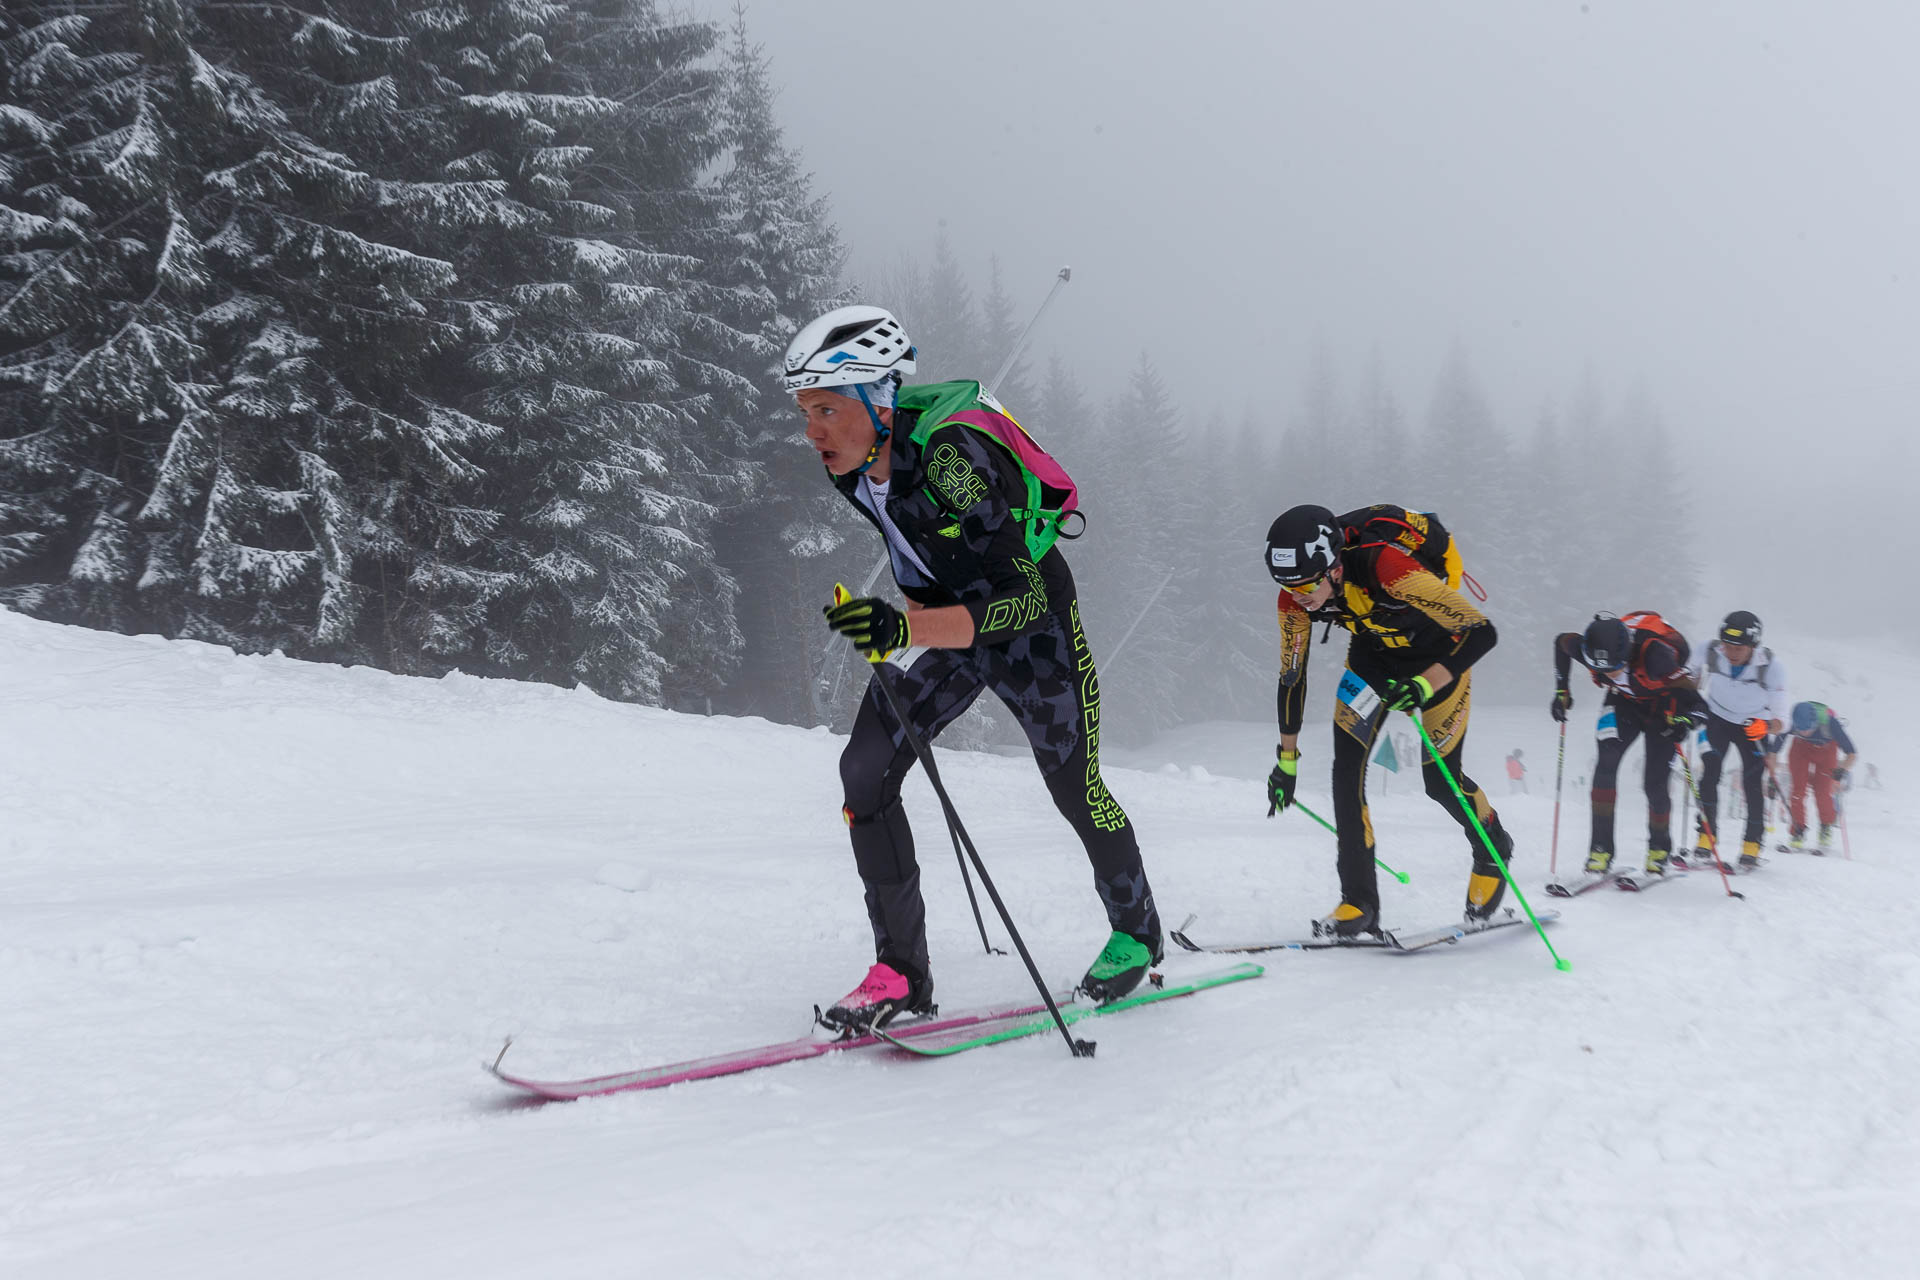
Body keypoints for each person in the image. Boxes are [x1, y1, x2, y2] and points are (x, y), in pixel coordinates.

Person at [786, 305, 1162, 1033]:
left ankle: (1137, 932)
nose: (813, 431)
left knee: (1076, 789)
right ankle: (901, 973)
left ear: (880, 399)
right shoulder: (855, 466)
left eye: (828, 408)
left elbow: (1019, 599)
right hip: (952, 629)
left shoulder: (957, 462)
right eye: (805, 411)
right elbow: (924, 550)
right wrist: (901, 617)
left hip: (1034, 632)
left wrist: (903, 627)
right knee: (865, 773)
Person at [1263, 504, 1510, 936]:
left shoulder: (1388, 566)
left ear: (1334, 568)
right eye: (1286, 584)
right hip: (1372, 659)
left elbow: (1480, 631)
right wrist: (1286, 760)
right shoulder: (1294, 598)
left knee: (1441, 782)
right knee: (1346, 773)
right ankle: (1359, 902)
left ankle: (1493, 849)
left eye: (1304, 583)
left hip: (1439, 658)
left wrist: (1423, 685)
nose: (1297, 595)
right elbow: (1291, 675)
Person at [1550, 612, 1706, 878]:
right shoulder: (1587, 648)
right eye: (1602, 669)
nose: (1609, 673)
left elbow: (1701, 708)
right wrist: (1562, 691)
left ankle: (1659, 849)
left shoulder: (1658, 658)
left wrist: (1683, 722)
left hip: (1663, 708)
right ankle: (1600, 849)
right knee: (1605, 766)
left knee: (1654, 783)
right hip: (1624, 703)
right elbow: (1560, 642)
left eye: (1615, 667)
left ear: (1628, 654)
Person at [1694, 610, 1789, 869]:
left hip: (1752, 725)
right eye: (1727, 645)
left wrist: (1766, 726)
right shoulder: (1710, 650)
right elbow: (1687, 676)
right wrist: (1687, 701)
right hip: (1717, 719)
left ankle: (1751, 845)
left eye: (1739, 647)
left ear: (1753, 646)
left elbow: (1783, 721)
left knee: (1751, 783)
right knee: (1710, 774)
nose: (1731, 652)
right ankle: (1706, 836)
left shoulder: (1771, 667)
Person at [1783, 701, 1858, 852]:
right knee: (1798, 791)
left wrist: (1841, 770)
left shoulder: (1831, 724)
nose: (1804, 732)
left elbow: (1851, 753)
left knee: (1822, 792)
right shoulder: (1792, 724)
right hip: (1800, 748)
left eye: (1808, 729)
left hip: (1826, 750)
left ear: (1815, 722)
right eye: (1800, 729)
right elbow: (1774, 747)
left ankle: (1826, 826)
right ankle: (1798, 830)